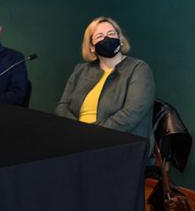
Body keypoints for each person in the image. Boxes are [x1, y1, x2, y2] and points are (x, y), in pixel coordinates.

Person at [55, 16, 155, 152]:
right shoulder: (81, 70)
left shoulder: (139, 69)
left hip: (118, 145)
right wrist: (78, 132)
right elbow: (62, 107)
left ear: (120, 39)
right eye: (100, 36)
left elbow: (132, 114)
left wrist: (92, 135)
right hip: (77, 141)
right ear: (91, 47)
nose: (107, 39)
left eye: (111, 34)